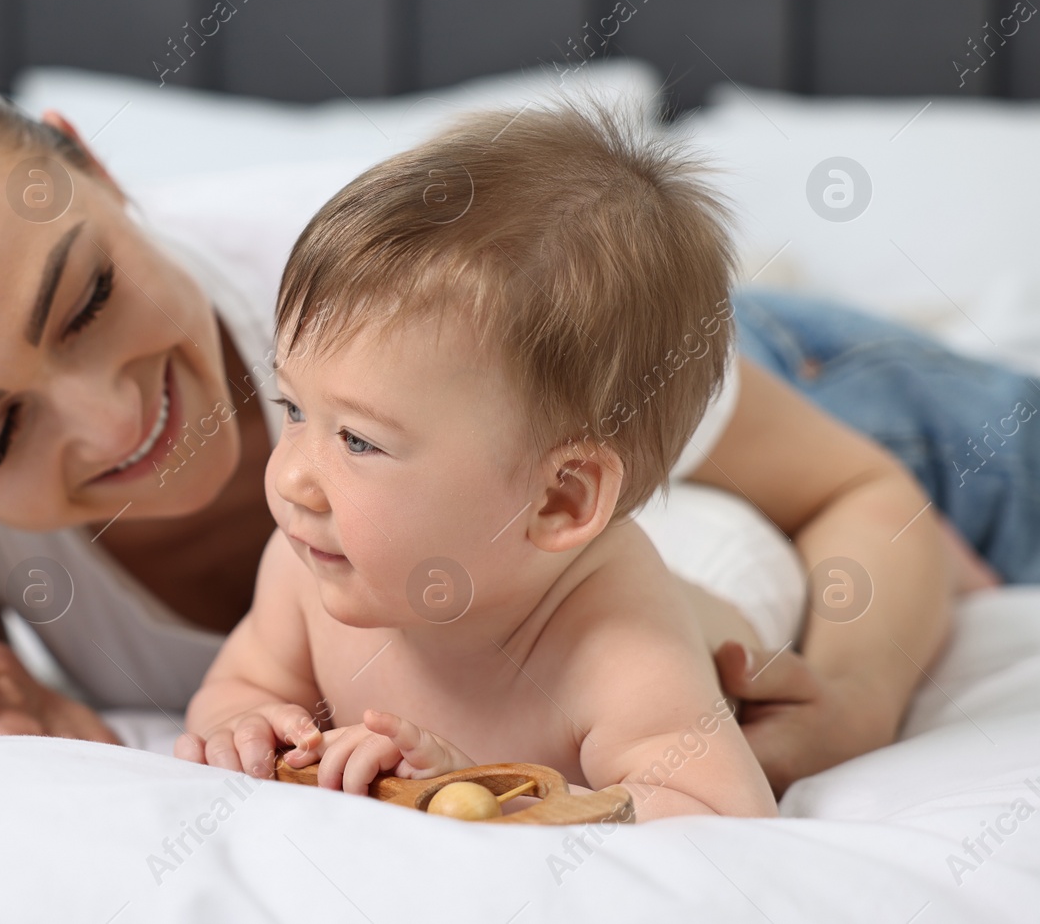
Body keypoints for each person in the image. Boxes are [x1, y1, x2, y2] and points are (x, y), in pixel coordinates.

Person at [0, 49, 997, 796]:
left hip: (796, 364)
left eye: (83, 298)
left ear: (95, 169)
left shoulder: (415, 304)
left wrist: (864, 693)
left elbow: (864, 493)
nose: (115, 414)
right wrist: (46, 732)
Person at [176, 106, 781, 820]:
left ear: (558, 499)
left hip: (732, 575)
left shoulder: (614, 640)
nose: (289, 479)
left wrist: (495, 788)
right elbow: (240, 685)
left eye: (359, 441)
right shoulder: (309, 563)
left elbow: (721, 812)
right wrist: (246, 726)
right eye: (295, 409)